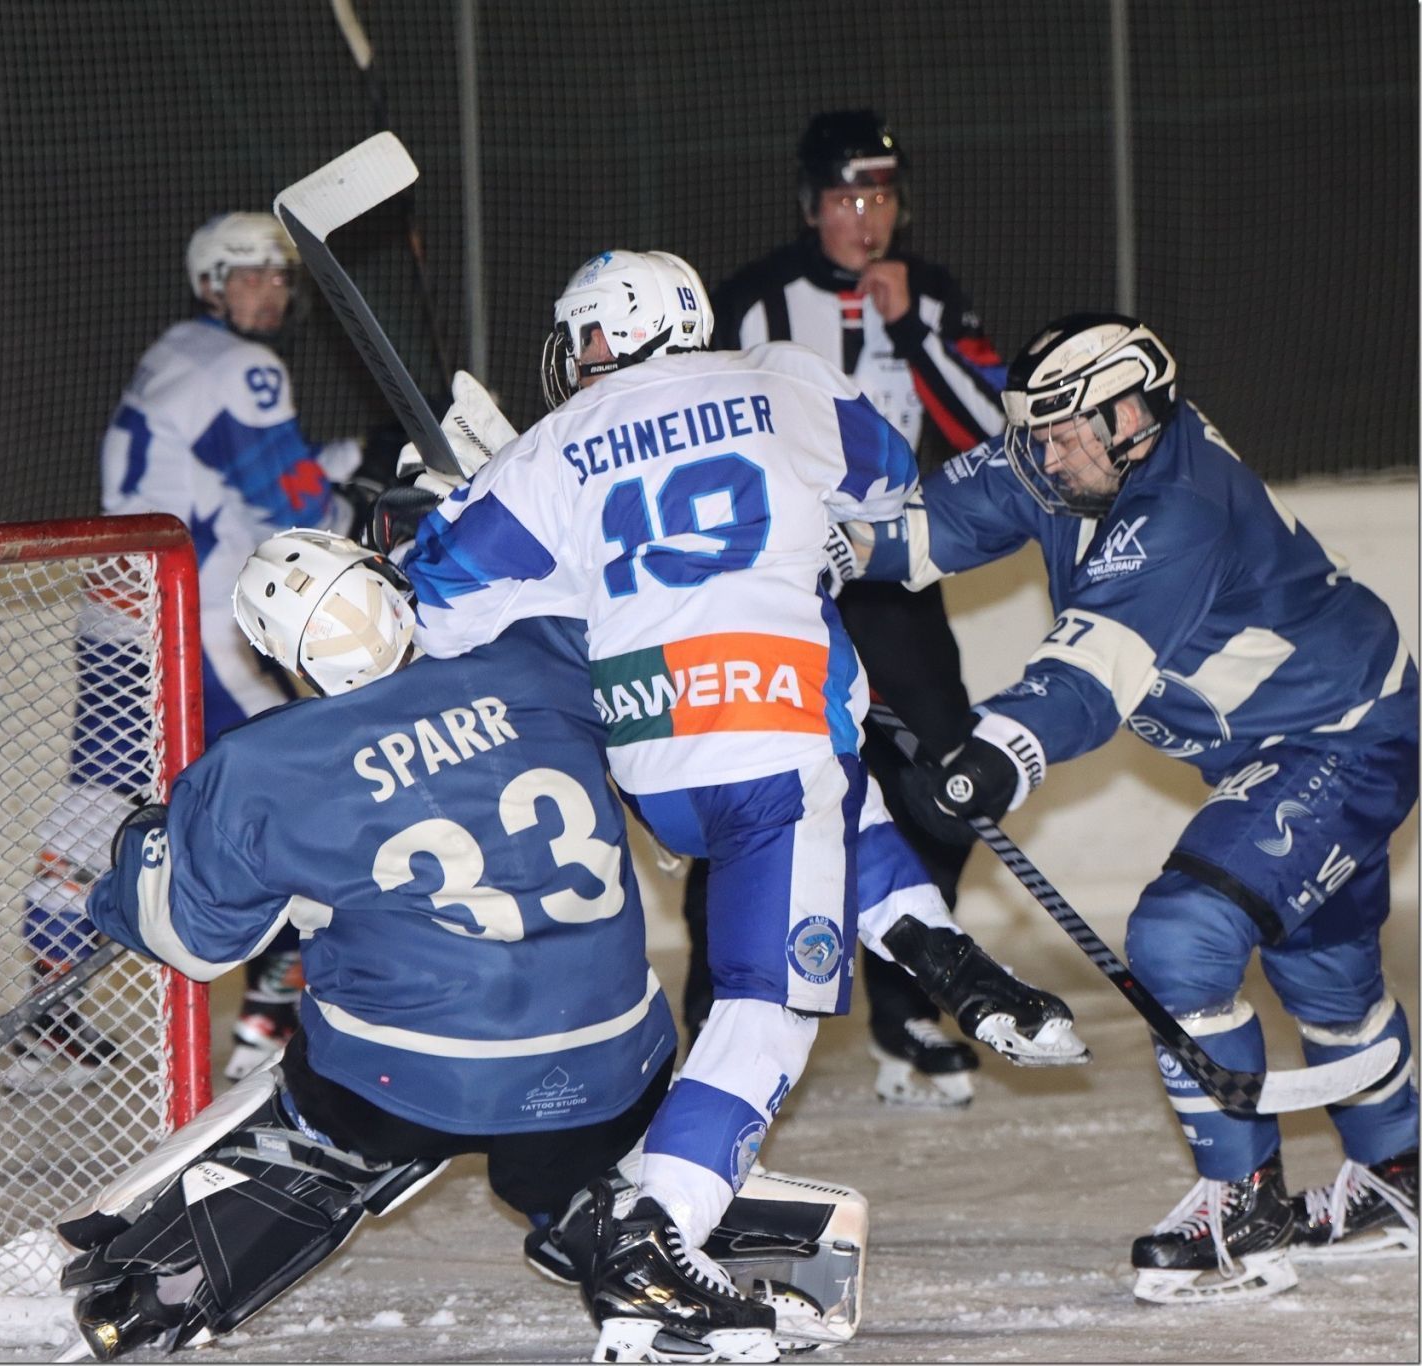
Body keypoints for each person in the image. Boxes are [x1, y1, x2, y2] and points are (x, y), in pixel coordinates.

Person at [58, 529, 1082, 1362]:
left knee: (326, 1123)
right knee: (562, 1140)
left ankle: (158, 1282)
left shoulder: (256, 764)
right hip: (609, 1064)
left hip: (405, 1077)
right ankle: (634, 1224)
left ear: (281, 658)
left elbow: (198, 943)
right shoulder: (546, 652)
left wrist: (137, 858)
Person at [398, 248, 961, 1360]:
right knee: (767, 1002)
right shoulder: (780, 372)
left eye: (584, 334)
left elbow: (440, 598)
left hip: (652, 759)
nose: (577, 356)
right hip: (776, 728)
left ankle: (642, 1209)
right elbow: (890, 476)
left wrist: (473, 496)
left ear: (614, 330)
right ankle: (655, 1236)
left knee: (740, 959)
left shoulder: (557, 438)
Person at [849, 312, 1418, 1302]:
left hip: (1342, 738)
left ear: (1131, 415)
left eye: (1065, 434)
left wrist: (996, 751)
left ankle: (1241, 1207)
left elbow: (1090, 672)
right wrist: (782, 552)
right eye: (1036, 433)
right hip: (1317, 730)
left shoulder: (1177, 503)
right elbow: (909, 536)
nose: (1044, 457)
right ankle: (1396, 1177)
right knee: (1323, 971)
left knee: (1181, 935)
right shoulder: (1066, 463)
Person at [705, 109, 1010, 1107]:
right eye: (844, 197)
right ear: (810, 206)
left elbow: (991, 429)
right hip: (777, 585)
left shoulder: (928, 291)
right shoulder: (752, 300)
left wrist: (913, 327)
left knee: (952, 783)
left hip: (891, 579)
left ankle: (906, 1005)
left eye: (878, 194)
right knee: (752, 785)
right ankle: (709, 1016)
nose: (864, 216)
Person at [69, 211, 377, 1087]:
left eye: (279, 276)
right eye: (250, 274)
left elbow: (243, 472)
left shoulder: (177, 352)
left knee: (93, 802)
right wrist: (373, 494)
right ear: (211, 283)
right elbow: (297, 507)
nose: (270, 290)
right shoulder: (246, 367)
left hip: (118, 607)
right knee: (298, 791)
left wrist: (349, 457)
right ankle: (269, 1018)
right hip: (194, 624)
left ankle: (47, 1018)